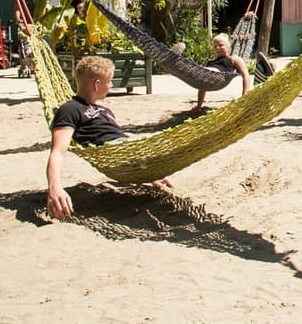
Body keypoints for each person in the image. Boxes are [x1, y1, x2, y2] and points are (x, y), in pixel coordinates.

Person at [46, 56, 173, 220]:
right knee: (175, 143)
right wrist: (54, 186)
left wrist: (149, 173)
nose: (111, 85)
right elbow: (58, 151)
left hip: (131, 147)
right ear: (97, 85)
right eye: (110, 81)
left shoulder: (105, 111)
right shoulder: (70, 109)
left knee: (176, 143)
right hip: (114, 151)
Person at [195, 33, 252, 110]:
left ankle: (181, 62)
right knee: (202, 73)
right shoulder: (210, 62)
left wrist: (244, 96)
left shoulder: (233, 59)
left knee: (205, 70)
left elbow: (246, 75)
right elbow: (202, 86)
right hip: (207, 76)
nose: (218, 48)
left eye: (221, 45)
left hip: (219, 75)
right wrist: (199, 106)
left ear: (228, 47)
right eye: (215, 47)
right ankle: (178, 63)